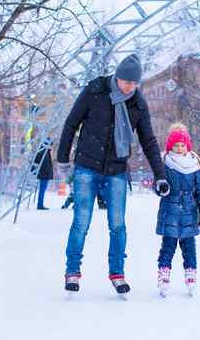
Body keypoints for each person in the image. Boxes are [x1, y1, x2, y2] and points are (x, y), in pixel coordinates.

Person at [57, 53, 169, 294]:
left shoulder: (137, 103)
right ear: (117, 77)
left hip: (117, 170)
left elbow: (148, 140)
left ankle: (117, 273)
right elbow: (71, 123)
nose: (129, 86)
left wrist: (160, 175)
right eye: (126, 81)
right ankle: (72, 272)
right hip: (87, 166)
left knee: (118, 225)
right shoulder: (95, 91)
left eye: (134, 83)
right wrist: (63, 160)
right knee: (81, 222)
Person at [156, 123, 200, 297]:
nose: (179, 148)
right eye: (176, 145)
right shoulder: (165, 163)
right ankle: (163, 274)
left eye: (182, 145)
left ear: (188, 146)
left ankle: (190, 273)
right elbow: (158, 184)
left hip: (189, 211)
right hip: (170, 211)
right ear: (170, 146)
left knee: (189, 247)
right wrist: (160, 188)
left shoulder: (195, 166)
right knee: (168, 246)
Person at [34, 139, 54, 210]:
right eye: (51, 145)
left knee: (42, 190)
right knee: (42, 190)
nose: (51, 147)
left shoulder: (44, 151)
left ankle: (40, 204)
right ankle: (40, 205)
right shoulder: (44, 152)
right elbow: (46, 165)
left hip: (44, 174)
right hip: (44, 175)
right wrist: (48, 173)